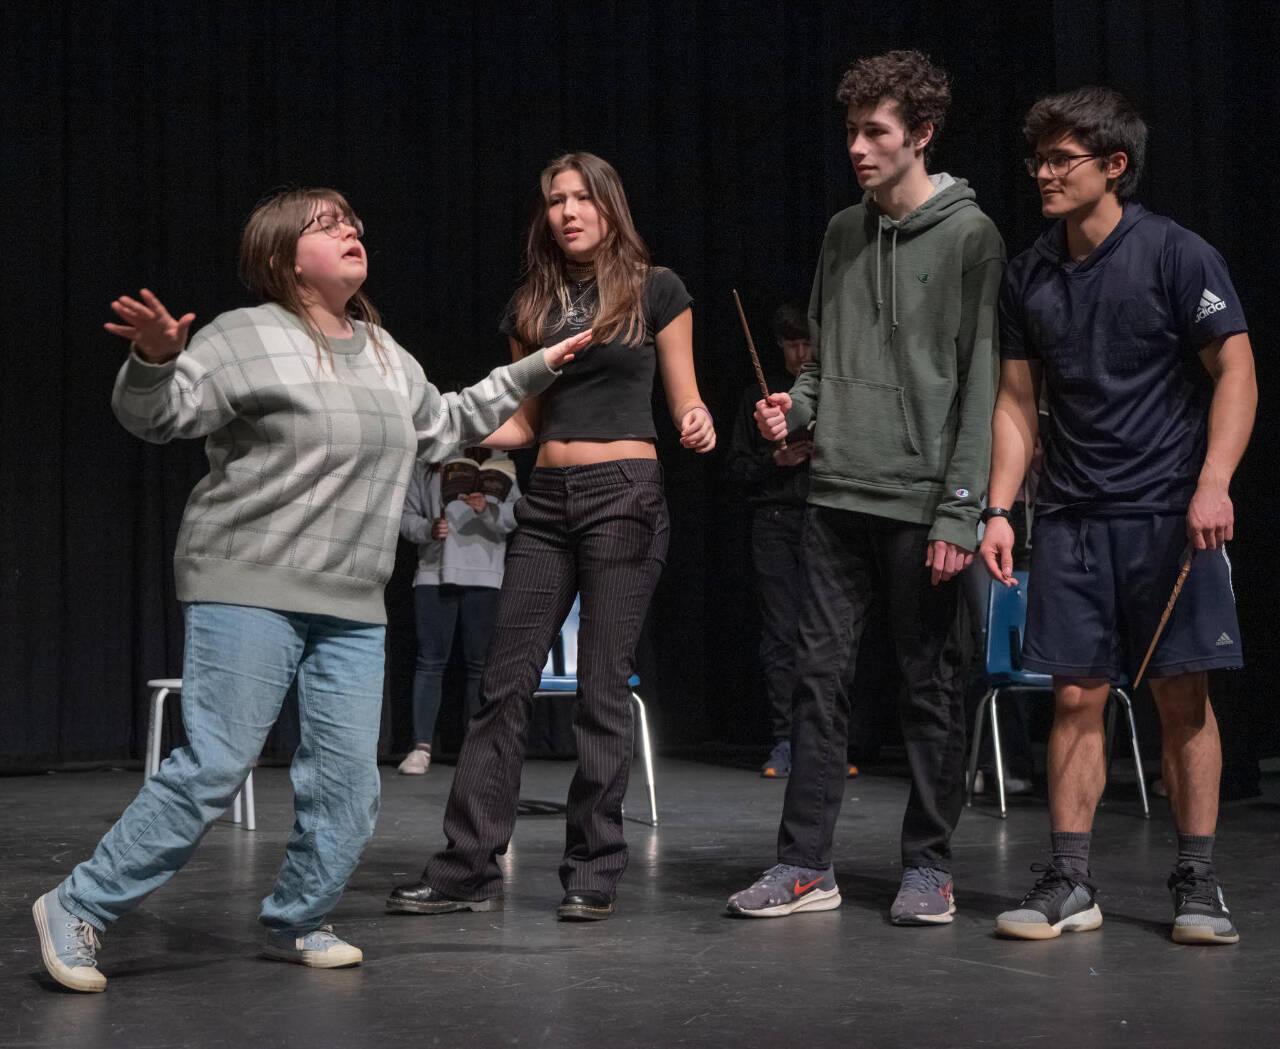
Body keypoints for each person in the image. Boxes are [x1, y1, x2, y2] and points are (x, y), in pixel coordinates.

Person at [31, 187, 590, 992]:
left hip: (354, 598)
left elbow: (449, 420)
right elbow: (160, 417)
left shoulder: (387, 352)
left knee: (349, 781)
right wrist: (153, 359)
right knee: (216, 765)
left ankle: (298, 916)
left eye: (353, 219)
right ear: (286, 254)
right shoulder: (243, 336)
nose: (351, 229)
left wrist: (538, 365)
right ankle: (77, 903)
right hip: (248, 580)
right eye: (328, 225)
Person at [387, 151, 715, 922]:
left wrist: (697, 420)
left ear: (610, 205)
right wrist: (443, 430)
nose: (566, 211)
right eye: (554, 200)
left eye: (581, 198)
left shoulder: (654, 289)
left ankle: (593, 867)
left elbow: (685, 398)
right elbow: (527, 423)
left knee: (603, 686)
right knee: (502, 683)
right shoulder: (531, 304)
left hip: (623, 493)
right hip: (547, 498)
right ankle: (467, 863)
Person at [726, 50, 1005, 924]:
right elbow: (826, 360)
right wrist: (794, 411)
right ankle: (805, 862)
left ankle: (930, 866)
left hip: (924, 503)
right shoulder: (843, 231)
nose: (856, 146)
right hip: (835, 495)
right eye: (850, 130)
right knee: (816, 681)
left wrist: (963, 507)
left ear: (921, 135)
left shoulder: (973, 237)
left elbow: (980, 381)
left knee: (930, 686)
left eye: (875, 131)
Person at [981, 87, 1255, 945]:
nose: (1045, 174)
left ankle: (1198, 881)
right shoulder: (1029, 272)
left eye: (1063, 160)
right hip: (1071, 516)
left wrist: (1214, 481)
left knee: (1183, 697)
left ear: (1114, 166)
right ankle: (1070, 879)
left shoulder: (1177, 254)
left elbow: (1238, 373)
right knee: (1073, 696)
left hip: (1171, 514)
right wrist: (996, 509)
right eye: (1040, 159)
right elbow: (1018, 404)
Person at [726, 302, 860, 780]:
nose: (801, 353)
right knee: (782, 634)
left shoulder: (831, 395)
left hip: (825, 520)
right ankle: (785, 741)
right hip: (775, 522)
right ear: (780, 346)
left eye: (808, 344)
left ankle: (826, 742)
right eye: (792, 344)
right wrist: (775, 462)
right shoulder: (757, 398)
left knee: (827, 637)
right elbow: (737, 469)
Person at [397, 448, 521, 774]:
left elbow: (516, 514)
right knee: (429, 662)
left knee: (480, 667)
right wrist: (428, 528)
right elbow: (406, 518)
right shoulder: (424, 465)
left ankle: (478, 749)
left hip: (485, 575)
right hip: (434, 572)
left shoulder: (499, 462)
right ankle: (421, 748)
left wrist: (487, 511)